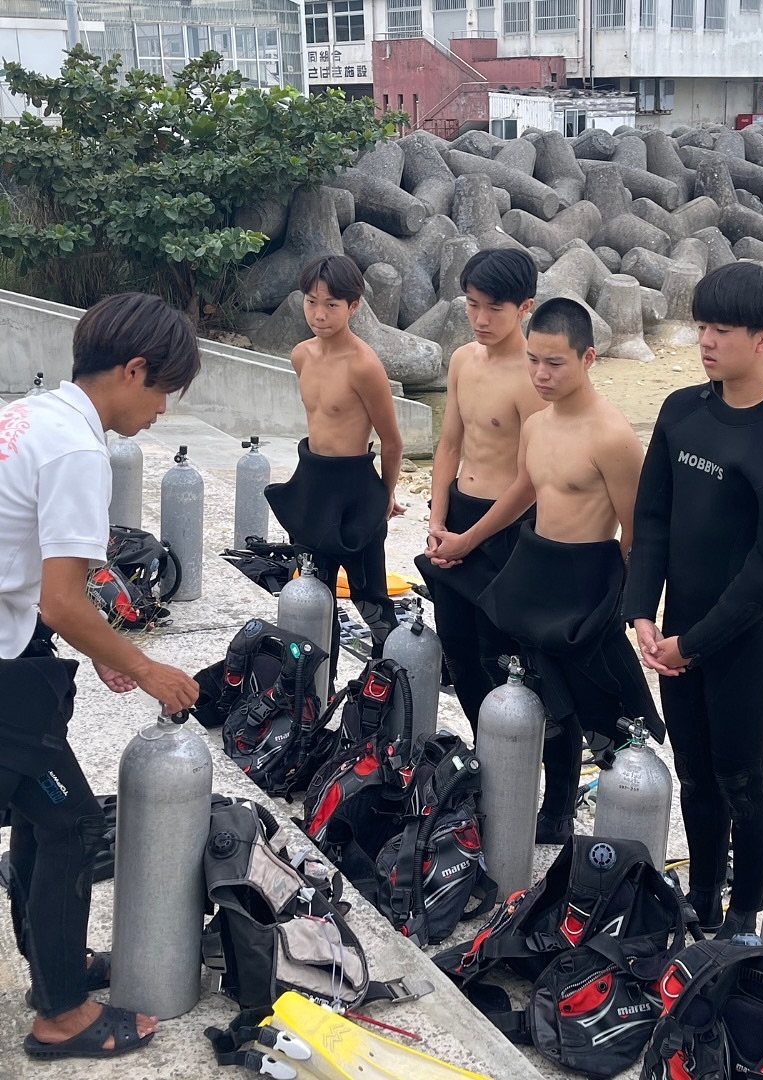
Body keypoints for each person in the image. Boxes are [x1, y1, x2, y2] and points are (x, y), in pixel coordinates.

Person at [0, 292, 201, 1059]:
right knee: (72, 823)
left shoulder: (32, 415)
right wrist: (144, 667)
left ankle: (54, 969)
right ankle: (62, 1016)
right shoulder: (80, 453)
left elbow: (33, 574)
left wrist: (99, 650)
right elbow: (62, 597)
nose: (161, 410)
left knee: (45, 815)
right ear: (134, 369)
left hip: (17, 645)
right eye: (163, 391)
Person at [623, 263, 763, 937]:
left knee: (742, 779)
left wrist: (693, 644)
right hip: (676, 630)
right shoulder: (683, 411)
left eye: (721, 330)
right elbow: (653, 517)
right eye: (701, 326)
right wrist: (641, 609)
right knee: (693, 774)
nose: (705, 341)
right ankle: (704, 895)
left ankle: (746, 912)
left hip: (743, 639)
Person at [435, 297, 663, 844]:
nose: (540, 374)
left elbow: (636, 531)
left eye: (555, 363)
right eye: (534, 360)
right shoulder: (537, 425)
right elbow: (522, 491)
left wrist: (631, 608)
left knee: (594, 707)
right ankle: (525, 791)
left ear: (588, 358)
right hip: (534, 564)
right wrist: (466, 539)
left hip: (585, 576)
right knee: (523, 682)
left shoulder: (613, 437)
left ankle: (580, 817)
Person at [416, 249, 544, 732]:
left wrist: (468, 542)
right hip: (458, 515)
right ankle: (482, 750)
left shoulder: (534, 379)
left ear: (525, 308)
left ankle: (514, 755)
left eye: (494, 308)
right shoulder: (462, 360)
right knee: (457, 649)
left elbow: (531, 481)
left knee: (501, 656)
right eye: (472, 305)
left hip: (507, 528)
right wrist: (437, 522)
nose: (481, 319)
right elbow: (449, 444)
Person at [265, 255, 403, 677]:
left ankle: (388, 689)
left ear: (353, 306)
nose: (319, 314)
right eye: (311, 302)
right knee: (312, 595)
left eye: (331, 305)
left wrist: (386, 494)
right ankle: (314, 693)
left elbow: (392, 439)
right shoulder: (301, 355)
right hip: (312, 485)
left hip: (355, 490)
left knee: (371, 602)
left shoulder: (364, 365)